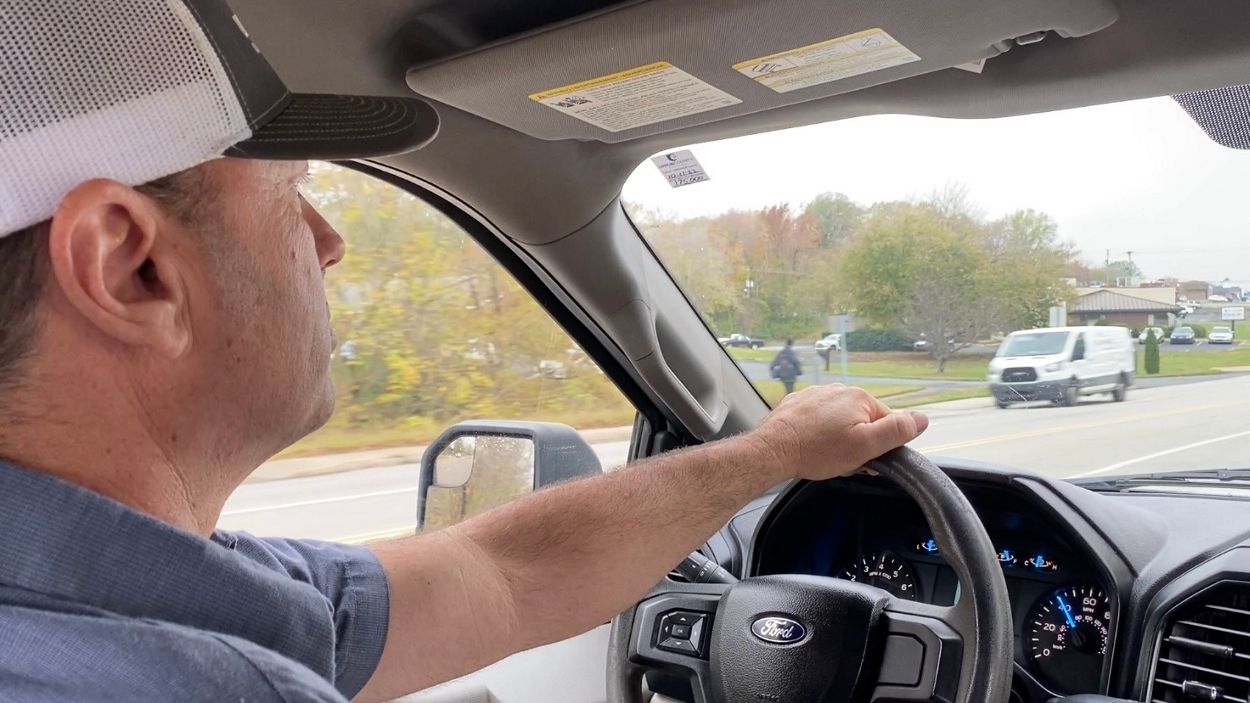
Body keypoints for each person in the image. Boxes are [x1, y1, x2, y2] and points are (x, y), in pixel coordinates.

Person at [0, 1, 929, 701]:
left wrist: (774, 451)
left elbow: (503, 576)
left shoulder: (153, 592)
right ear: (131, 267)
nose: (329, 241)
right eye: (289, 192)